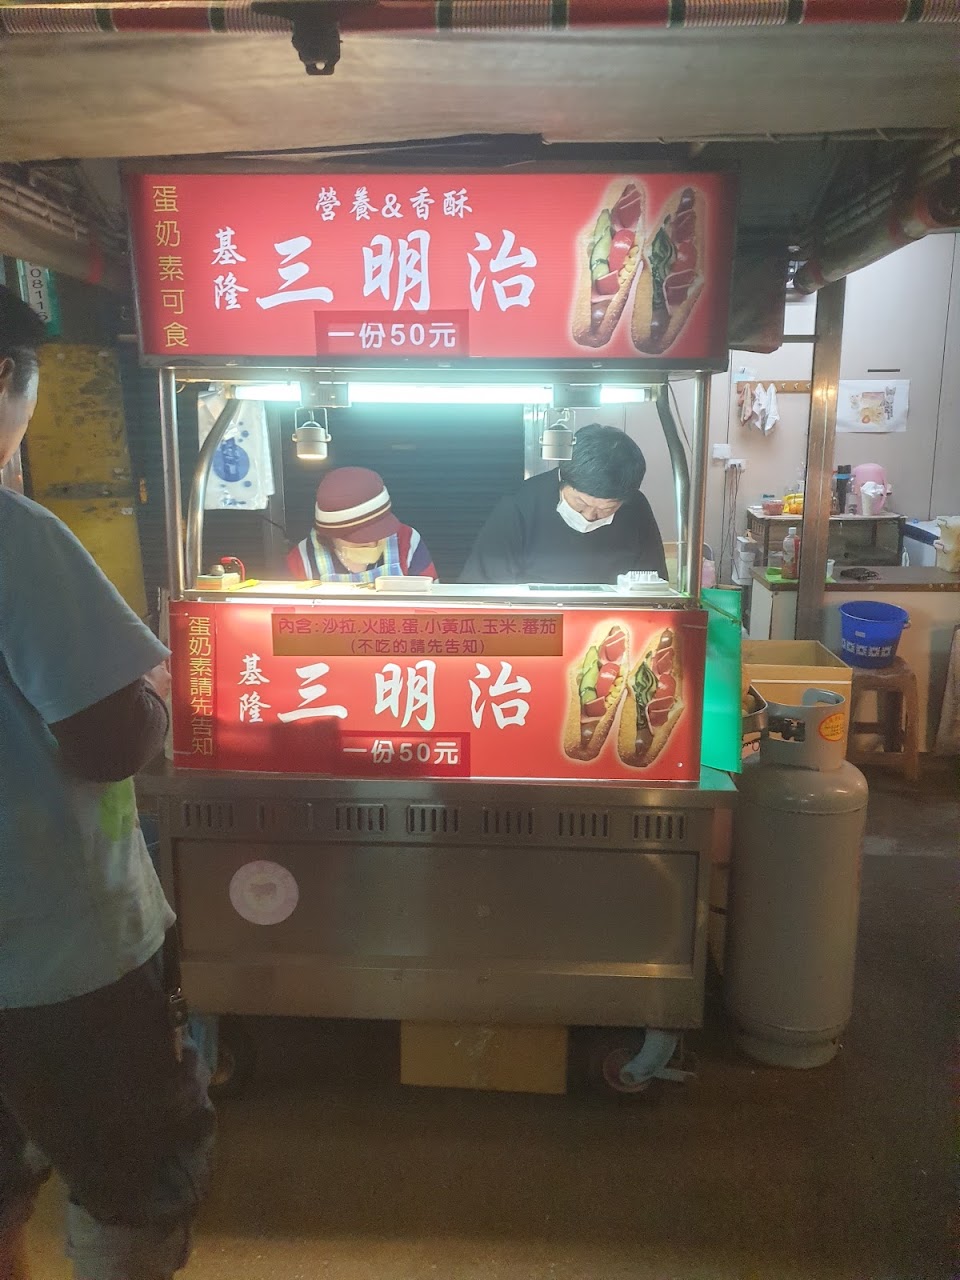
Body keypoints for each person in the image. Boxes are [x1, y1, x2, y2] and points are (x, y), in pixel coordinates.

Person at [0, 285, 214, 1280]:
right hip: (54, 953)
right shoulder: (15, 537)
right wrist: (155, 696)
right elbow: (106, 739)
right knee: (134, 1171)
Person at [460, 423, 667, 585]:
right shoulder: (518, 506)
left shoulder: (636, 508)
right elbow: (482, 588)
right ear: (563, 478)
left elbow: (654, 586)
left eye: (606, 510)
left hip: (611, 623)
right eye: (580, 503)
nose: (589, 516)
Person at [286, 465, 437, 583]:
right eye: (361, 539)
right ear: (331, 535)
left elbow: (432, 601)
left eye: (380, 532)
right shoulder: (303, 559)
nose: (373, 544)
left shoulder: (407, 541)